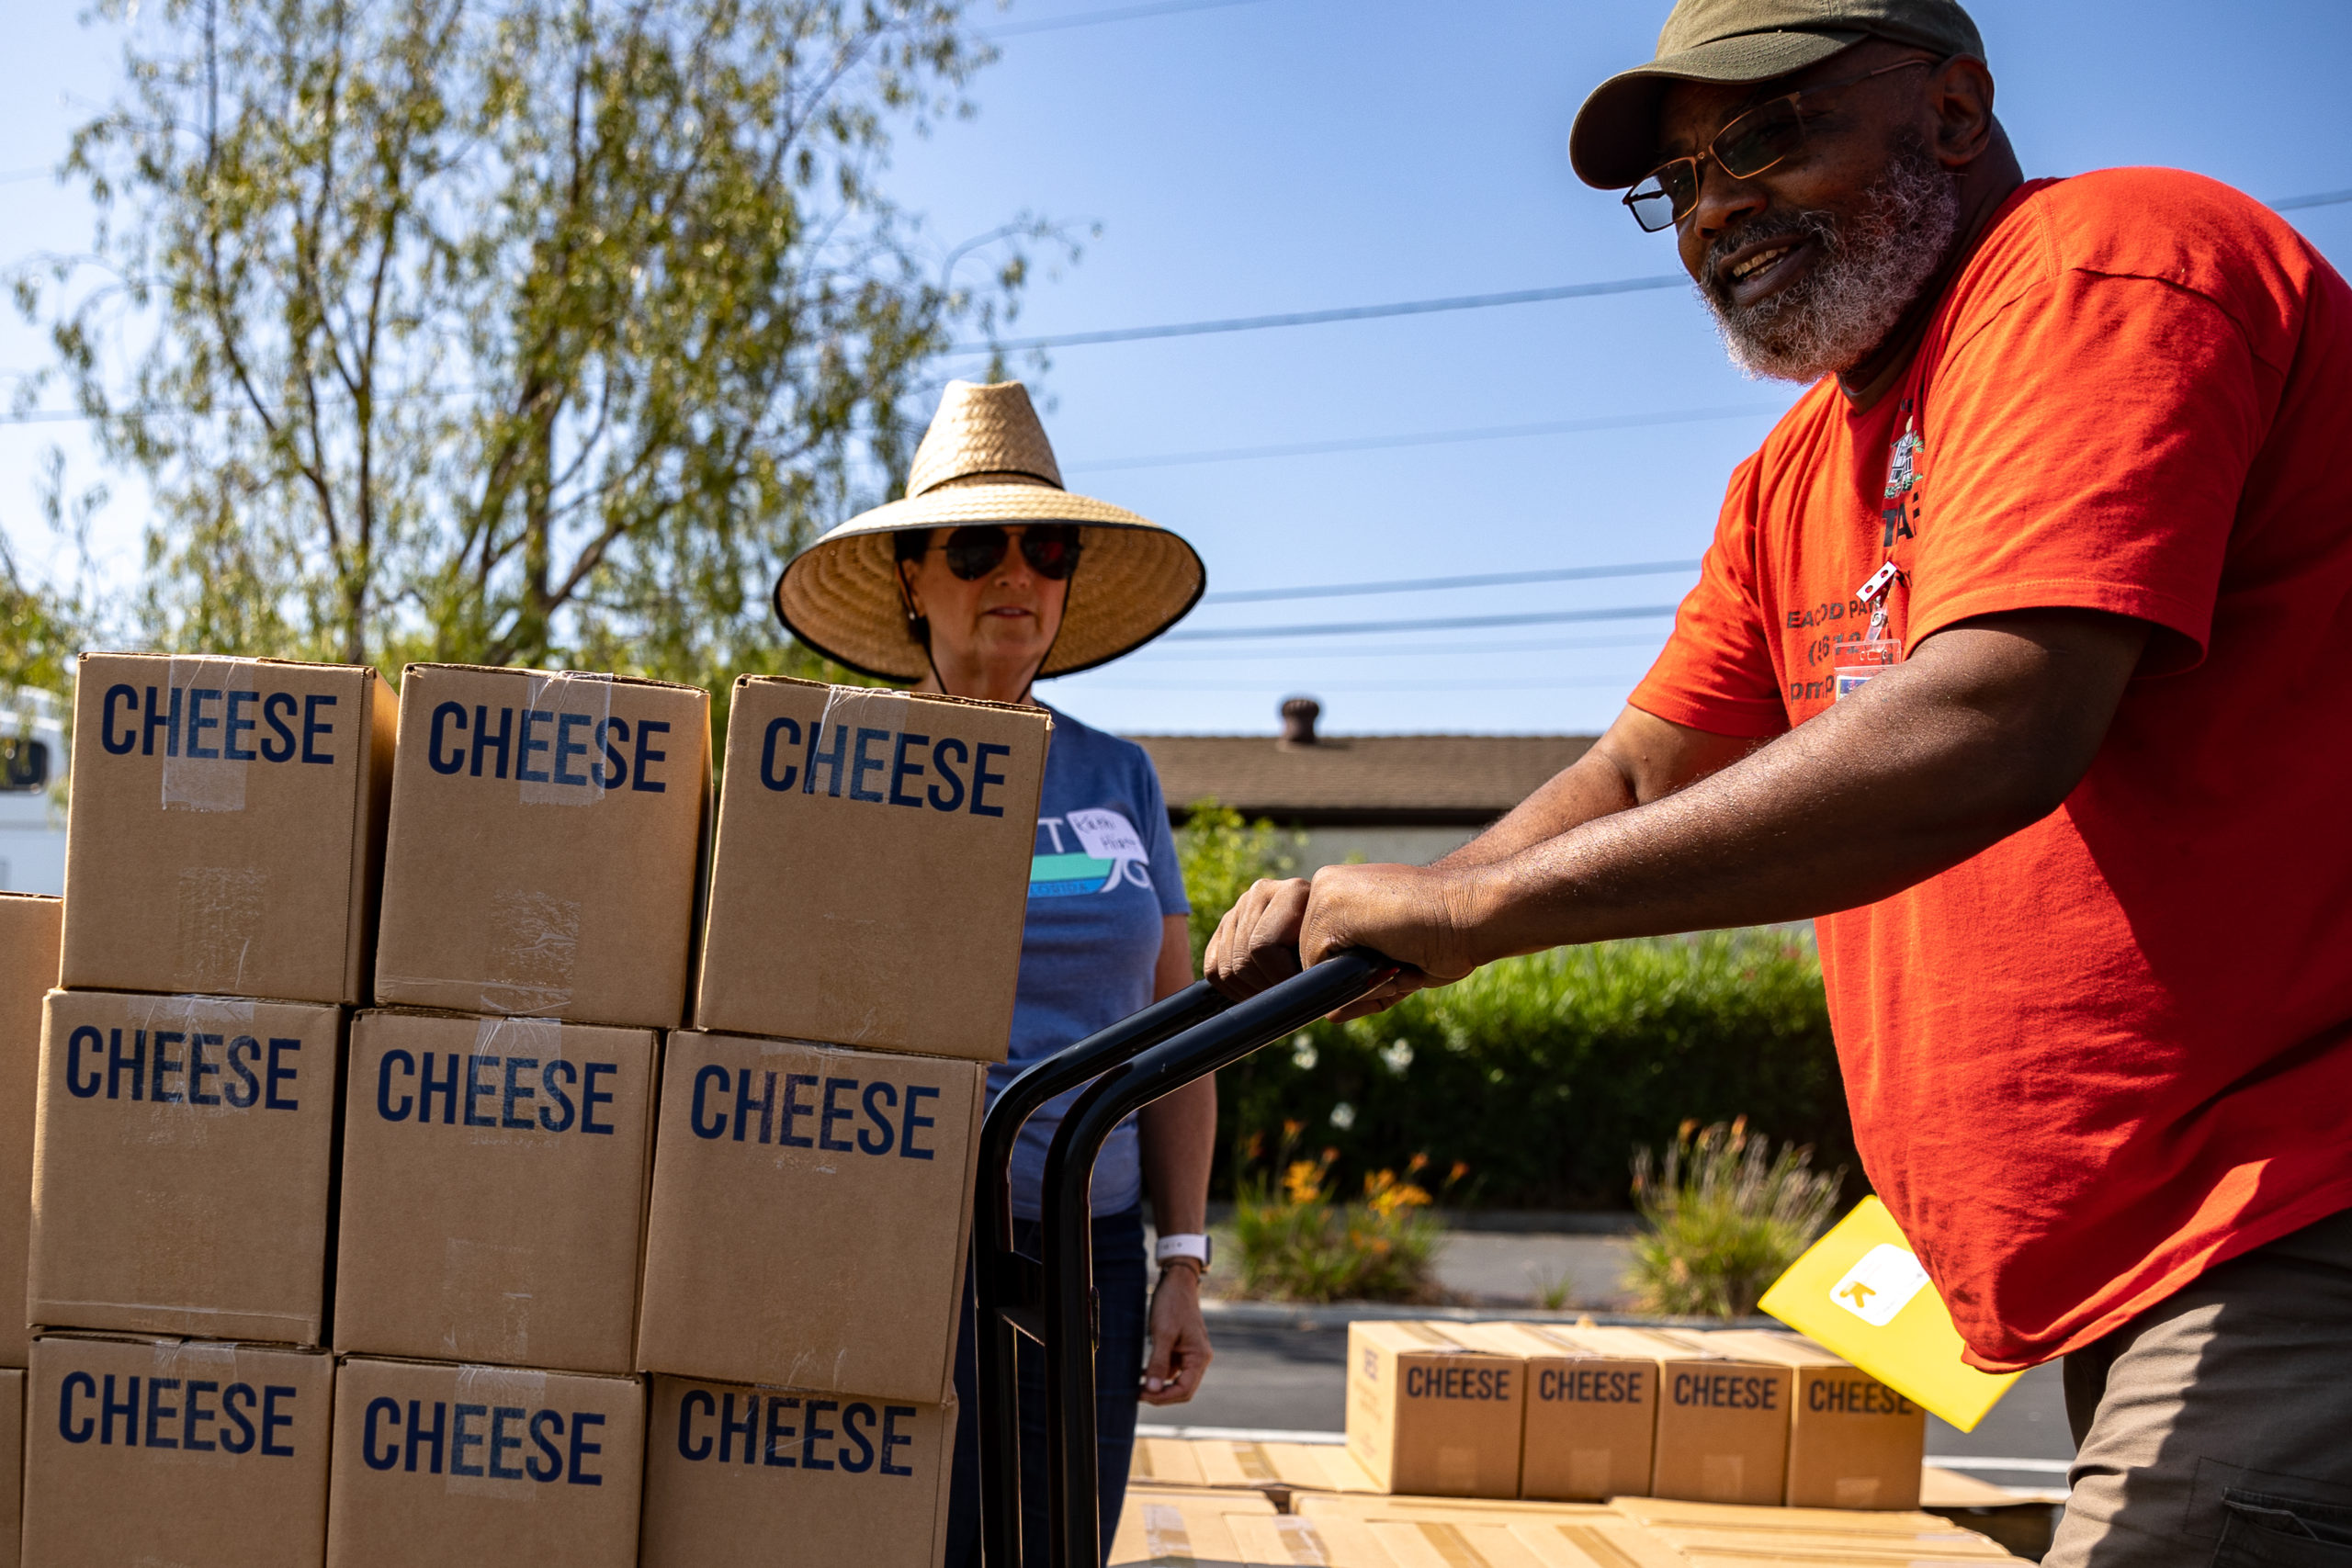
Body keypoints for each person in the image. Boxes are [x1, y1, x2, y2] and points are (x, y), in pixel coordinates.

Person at [1205, 2, 2352, 1561]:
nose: (1715, 209)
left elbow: (1995, 720)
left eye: (1767, 134)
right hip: (2126, 1266)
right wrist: (1396, 927)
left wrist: (1472, 905)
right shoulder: (1794, 477)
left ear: (1953, 111)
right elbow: (1635, 765)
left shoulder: (2106, 269)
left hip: (2294, 1207)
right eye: (1678, 183)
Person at [774, 378, 1216, 1567]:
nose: (1016, 573)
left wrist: (1182, 1260)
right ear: (913, 579)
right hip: (905, 1243)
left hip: (1092, 1239)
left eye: (1046, 546)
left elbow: (1175, 1032)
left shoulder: (1120, 777)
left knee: (1065, 1541)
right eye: (976, 547)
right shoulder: (840, 769)